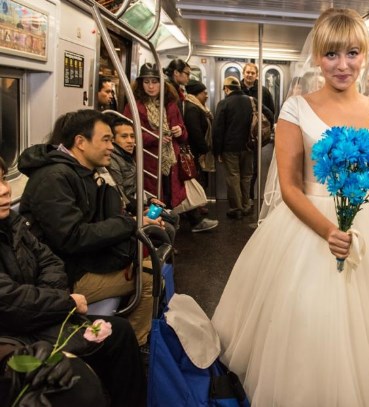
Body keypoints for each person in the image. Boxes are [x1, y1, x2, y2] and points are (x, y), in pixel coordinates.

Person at [212, 8, 369, 406]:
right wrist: (328, 231)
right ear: (318, 57)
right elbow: (291, 186)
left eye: (352, 53)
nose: (342, 64)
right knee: (309, 321)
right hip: (307, 227)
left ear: (364, 56)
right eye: (332, 54)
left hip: (365, 224)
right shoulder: (295, 109)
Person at [0, 157, 147, 407]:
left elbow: (50, 261)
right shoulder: (54, 179)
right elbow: (8, 302)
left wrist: (50, 300)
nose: (5, 189)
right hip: (11, 334)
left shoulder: (12, 224)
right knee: (76, 386)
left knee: (120, 332)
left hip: (37, 316)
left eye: (3, 178)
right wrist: (65, 302)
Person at [124, 63, 217, 233]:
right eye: (146, 82)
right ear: (140, 84)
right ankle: (151, 234)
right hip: (148, 161)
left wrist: (179, 131)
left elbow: (184, 134)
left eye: (155, 82)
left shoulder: (170, 105)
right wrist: (156, 137)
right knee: (154, 200)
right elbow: (128, 133)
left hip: (171, 161)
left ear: (162, 84)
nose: (151, 86)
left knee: (169, 197)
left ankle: (166, 233)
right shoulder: (134, 106)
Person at [104, 113, 178, 243]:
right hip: (129, 210)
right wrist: (143, 207)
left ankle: (160, 251)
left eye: (132, 136)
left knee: (173, 216)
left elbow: (135, 187)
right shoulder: (113, 160)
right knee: (168, 227)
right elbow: (121, 196)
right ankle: (155, 254)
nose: (130, 141)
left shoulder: (127, 156)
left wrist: (150, 199)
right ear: (113, 139)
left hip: (136, 203)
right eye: (124, 136)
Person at [212, 76, 256, 219]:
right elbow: (268, 113)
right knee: (246, 177)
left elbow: (217, 129)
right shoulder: (251, 101)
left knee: (233, 177)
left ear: (226, 88)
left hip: (229, 148)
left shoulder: (224, 103)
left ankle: (237, 208)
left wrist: (217, 151)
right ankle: (246, 205)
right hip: (248, 146)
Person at [240, 62, 276, 201]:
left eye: (252, 73)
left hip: (255, 135)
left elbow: (271, 111)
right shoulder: (237, 89)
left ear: (257, 75)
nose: (249, 75)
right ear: (243, 73)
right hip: (239, 133)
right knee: (239, 168)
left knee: (253, 167)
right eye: (247, 72)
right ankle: (241, 198)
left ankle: (249, 196)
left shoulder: (263, 91)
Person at [183, 79, 214, 188]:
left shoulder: (198, 107)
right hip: (195, 152)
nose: (206, 96)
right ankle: (198, 203)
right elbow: (195, 131)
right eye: (204, 93)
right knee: (199, 179)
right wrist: (204, 149)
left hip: (198, 151)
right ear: (196, 94)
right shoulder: (193, 109)